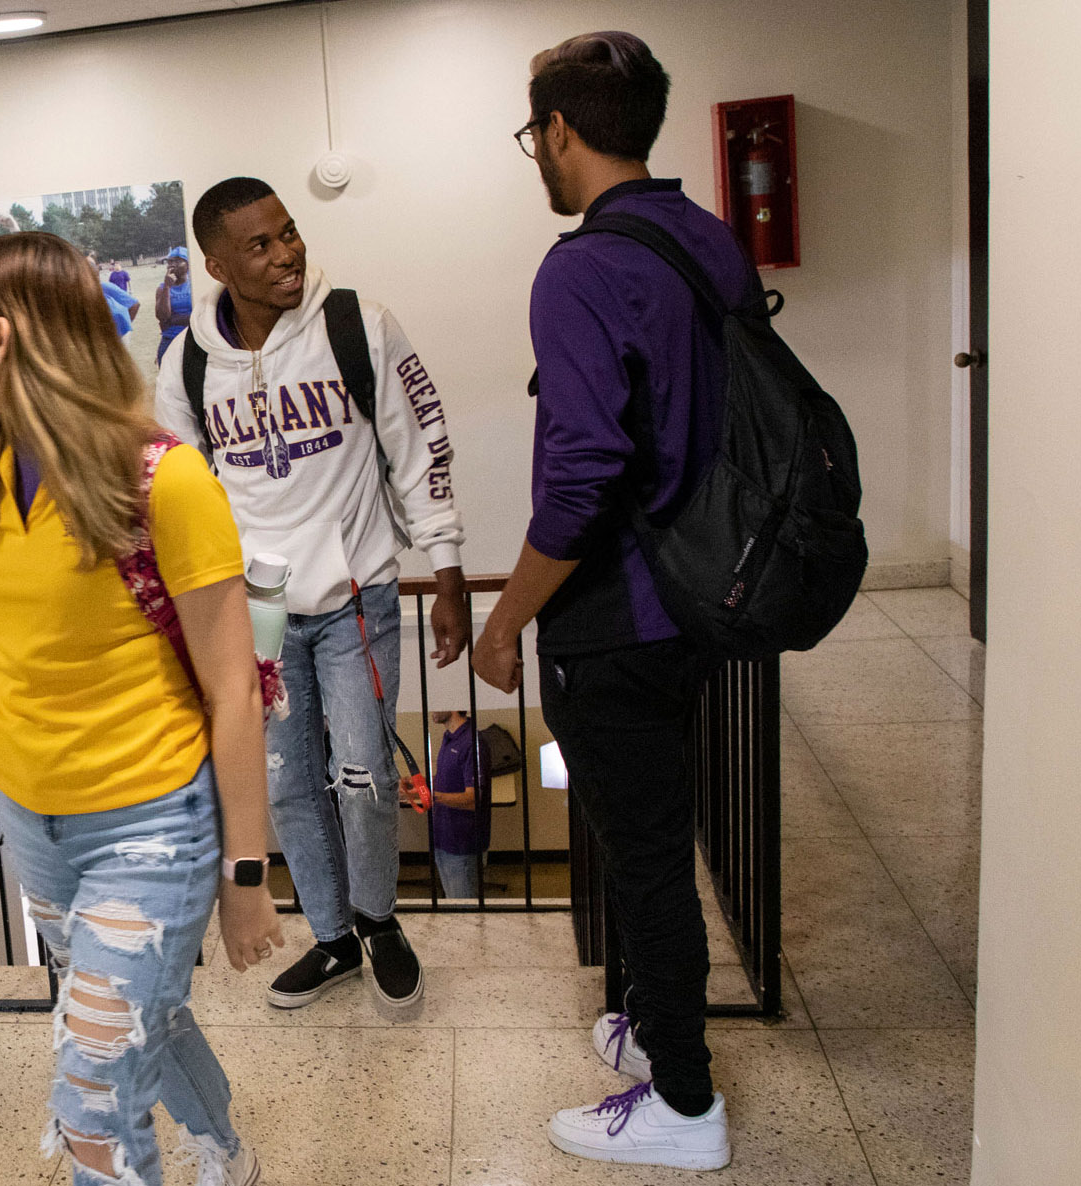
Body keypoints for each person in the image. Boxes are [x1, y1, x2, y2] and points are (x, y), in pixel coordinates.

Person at [0, 230, 278, 1186]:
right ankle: (228, 1147)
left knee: (92, 1102)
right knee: (144, 1019)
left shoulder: (167, 479)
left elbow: (233, 687)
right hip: (36, 826)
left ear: (8, 334)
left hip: (153, 823)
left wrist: (246, 872)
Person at [470, 31, 741, 1171]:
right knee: (650, 838)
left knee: (642, 859)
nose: (537, 152)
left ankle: (685, 1104)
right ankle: (653, 1031)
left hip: (615, 615)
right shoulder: (702, 239)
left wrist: (505, 617)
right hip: (697, 596)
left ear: (563, 133)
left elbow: (581, 473)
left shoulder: (580, 268)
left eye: (538, 132)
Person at [154, 176, 468, 1018]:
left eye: (289, 233)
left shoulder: (355, 326)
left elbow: (417, 443)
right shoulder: (187, 364)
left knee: (363, 775)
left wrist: (444, 568)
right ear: (218, 264)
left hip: (356, 588)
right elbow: (177, 491)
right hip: (255, 609)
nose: (288, 252)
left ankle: (379, 922)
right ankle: (332, 939)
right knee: (287, 784)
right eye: (260, 245)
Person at [426, 712, 491, 899]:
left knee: (465, 912)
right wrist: (419, 785)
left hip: (463, 845)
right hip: (444, 840)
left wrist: (433, 797)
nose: (432, 710)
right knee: (454, 906)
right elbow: (445, 780)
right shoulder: (449, 738)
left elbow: (473, 800)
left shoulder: (472, 743)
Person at [153, 248, 192, 361]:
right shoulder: (162, 289)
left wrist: (174, 320)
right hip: (170, 339)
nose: (172, 265)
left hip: (192, 339)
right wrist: (167, 287)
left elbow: (198, 316)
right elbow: (162, 316)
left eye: (178, 261)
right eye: (170, 262)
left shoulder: (194, 285)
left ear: (188, 264)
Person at [88, 251, 140, 336]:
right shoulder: (112, 275)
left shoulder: (105, 287)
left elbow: (135, 304)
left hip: (117, 334)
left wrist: (125, 326)